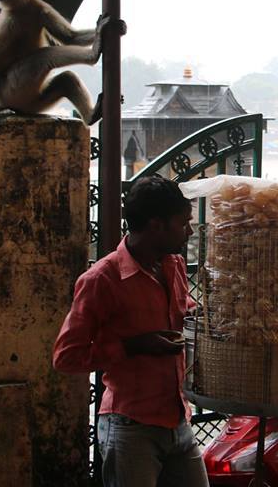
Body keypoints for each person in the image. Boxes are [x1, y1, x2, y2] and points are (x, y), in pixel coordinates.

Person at [53, 175, 208, 487]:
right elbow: (66, 357)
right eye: (183, 223)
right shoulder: (102, 279)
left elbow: (184, 309)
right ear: (156, 225)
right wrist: (133, 346)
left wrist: (204, 317)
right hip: (130, 428)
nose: (189, 231)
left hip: (178, 421)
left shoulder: (172, 264)